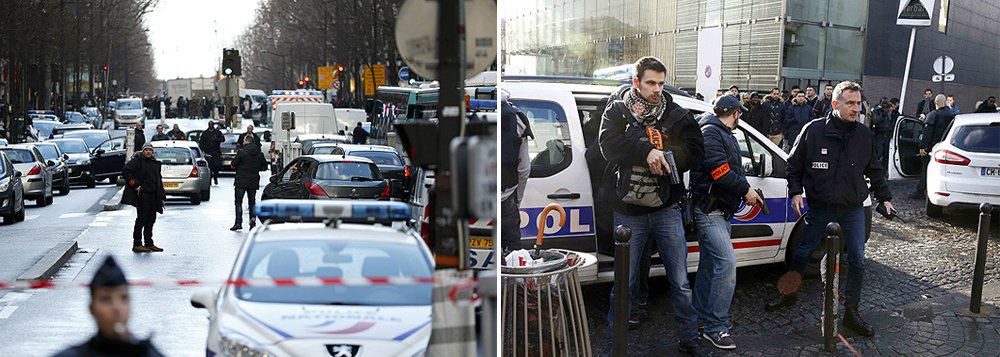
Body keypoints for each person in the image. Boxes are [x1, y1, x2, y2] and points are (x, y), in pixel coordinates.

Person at [765, 81, 894, 338]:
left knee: (857, 260)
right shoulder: (813, 131)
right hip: (820, 206)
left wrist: (885, 197)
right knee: (802, 253)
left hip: (852, 208)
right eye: (850, 103)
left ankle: (852, 312)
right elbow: (793, 165)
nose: (856, 108)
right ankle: (788, 294)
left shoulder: (863, 135)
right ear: (835, 105)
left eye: (858, 103)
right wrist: (795, 192)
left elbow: (875, 169)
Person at [599, 56, 709, 356]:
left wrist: (667, 155)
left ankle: (689, 338)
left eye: (661, 83)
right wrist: (645, 151)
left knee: (680, 282)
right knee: (625, 283)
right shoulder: (618, 110)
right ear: (636, 82)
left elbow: (696, 151)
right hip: (629, 212)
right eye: (650, 83)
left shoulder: (676, 113)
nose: (656, 89)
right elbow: (607, 146)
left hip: (667, 209)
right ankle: (616, 344)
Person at [689, 95, 762, 351]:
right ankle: (716, 328)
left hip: (720, 211)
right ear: (734, 113)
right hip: (710, 212)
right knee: (727, 263)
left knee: (709, 267)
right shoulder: (711, 132)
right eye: (739, 113)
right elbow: (719, 172)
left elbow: (729, 167)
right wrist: (746, 191)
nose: (739, 117)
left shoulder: (721, 133)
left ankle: (699, 319)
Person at [53, 257, 164, 356]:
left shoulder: (148, 353)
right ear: (91, 309)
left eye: (124, 298)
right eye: (106, 299)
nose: (117, 308)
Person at [500, 88, 533, 254]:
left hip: (473, 199)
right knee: (513, 254)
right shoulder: (516, 119)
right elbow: (524, 168)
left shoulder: (466, 113)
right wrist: (517, 200)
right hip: (506, 197)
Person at [121, 143, 166, 253]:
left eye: (150, 150)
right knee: (141, 219)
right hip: (142, 195)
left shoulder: (155, 164)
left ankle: (149, 243)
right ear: (143, 151)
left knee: (151, 220)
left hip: (153, 196)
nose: (148, 152)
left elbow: (158, 181)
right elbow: (126, 172)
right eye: (146, 150)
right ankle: (137, 244)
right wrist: (135, 184)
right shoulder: (137, 161)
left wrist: (162, 197)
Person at [911, 94, 955, 199]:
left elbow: (927, 133)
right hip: (946, 146)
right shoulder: (952, 115)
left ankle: (921, 190)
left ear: (935, 103)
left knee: (925, 168)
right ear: (945, 102)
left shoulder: (933, 115)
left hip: (932, 146)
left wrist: (922, 146)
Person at [230, 135, 268, 231]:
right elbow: (264, 167)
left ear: (247, 141)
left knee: (238, 202)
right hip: (253, 180)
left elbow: (233, 164)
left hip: (241, 180)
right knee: (252, 203)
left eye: (244, 140)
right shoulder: (259, 153)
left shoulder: (241, 152)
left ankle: (238, 223)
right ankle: (252, 223)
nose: (243, 142)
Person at [869, 97, 899, 178]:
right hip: (879, 135)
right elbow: (875, 121)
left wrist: (894, 111)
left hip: (888, 135)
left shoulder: (891, 112)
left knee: (886, 156)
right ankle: (875, 172)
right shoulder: (877, 111)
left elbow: (896, 119)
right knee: (878, 154)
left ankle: (884, 173)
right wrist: (883, 113)